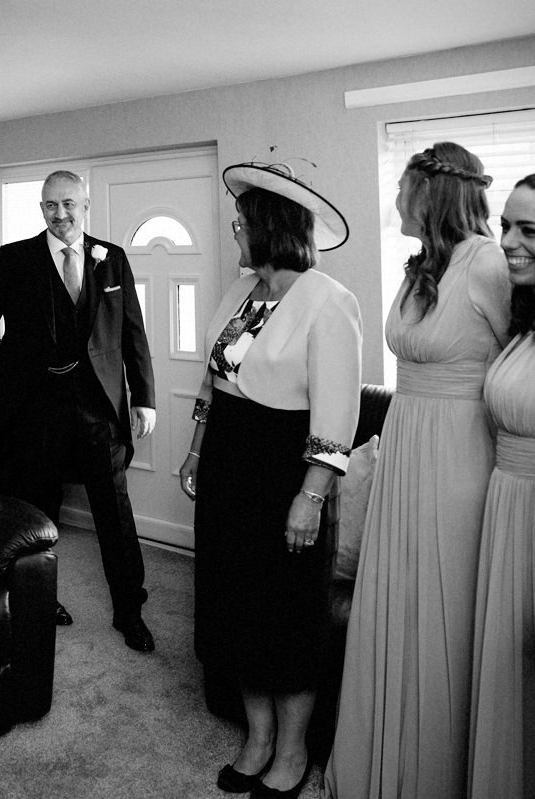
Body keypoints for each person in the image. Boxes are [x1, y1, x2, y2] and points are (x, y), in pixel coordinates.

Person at [325, 142, 511, 798]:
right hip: (404, 443)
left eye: (406, 189)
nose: (397, 201)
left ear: (436, 194)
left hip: (458, 455)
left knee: (445, 609)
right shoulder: (420, 267)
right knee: (396, 606)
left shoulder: (489, 265)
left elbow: (528, 366)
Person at [0, 169, 158, 652]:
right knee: (35, 514)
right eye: (51, 205)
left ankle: (129, 609)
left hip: (98, 410)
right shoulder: (18, 258)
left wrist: (145, 396)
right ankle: (39, 599)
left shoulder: (113, 260)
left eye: (69, 204)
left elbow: (133, 332)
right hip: (35, 411)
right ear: (42, 209)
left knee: (115, 514)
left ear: (85, 206)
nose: (60, 214)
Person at [181, 160, 361, 799]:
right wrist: (198, 451)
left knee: (285, 615)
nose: (235, 226)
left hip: (285, 470)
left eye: (243, 219)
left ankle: (292, 752)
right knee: (234, 606)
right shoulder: (238, 292)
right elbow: (215, 380)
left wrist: (310, 496)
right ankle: (256, 739)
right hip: (229, 463)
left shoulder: (329, 301)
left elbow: (337, 414)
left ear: (272, 226)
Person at [468, 164, 535, 799]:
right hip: (507, 513)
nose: (508, 241)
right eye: (505, 224)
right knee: (509, 689)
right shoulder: (534, 317)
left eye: (529, 229)